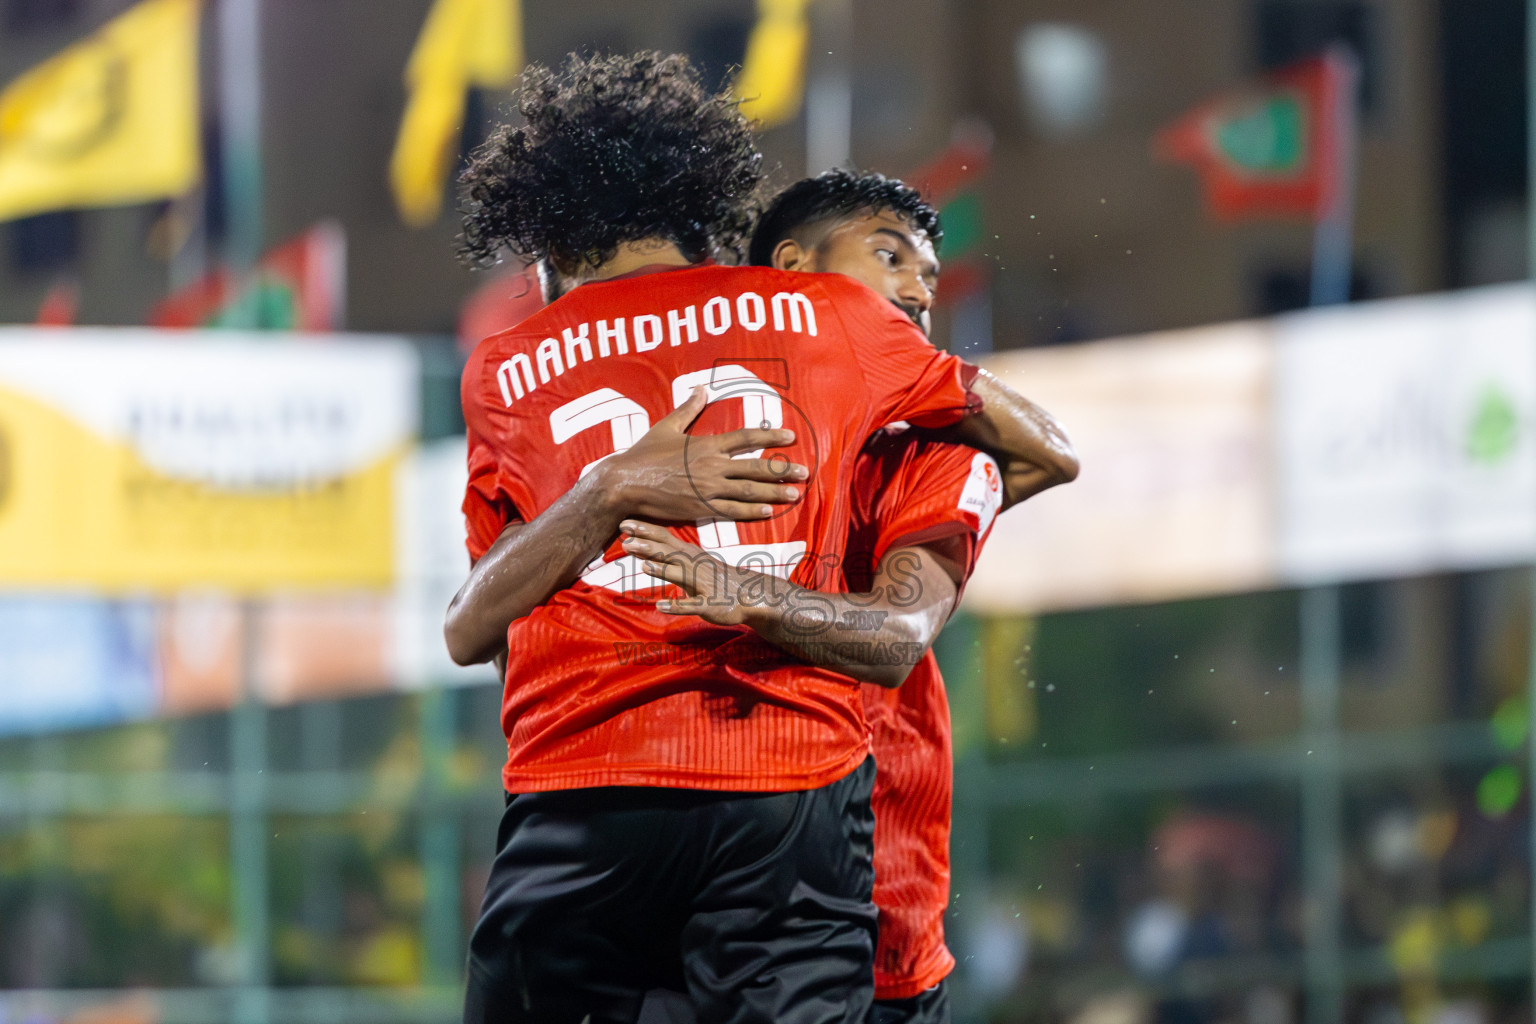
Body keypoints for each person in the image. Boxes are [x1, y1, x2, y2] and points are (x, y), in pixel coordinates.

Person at [450, 52, 1074, 1024]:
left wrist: (611, 498)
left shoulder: (508, 364)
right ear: (721, 227)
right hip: (795, 790)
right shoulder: (836, 330)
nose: (911, 285)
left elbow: (477, 626)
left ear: (548, 248)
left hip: (583, 780)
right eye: (892, 257)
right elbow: (1045, 448)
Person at [621, 170, 1071, 1024]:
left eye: (930, 279)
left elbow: (1049, 460)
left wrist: (746, 594)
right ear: (792, 270)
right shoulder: (688, 442)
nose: (916, 289)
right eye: (889, 257)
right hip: (685, 872)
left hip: (871, 916)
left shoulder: (935, 460)